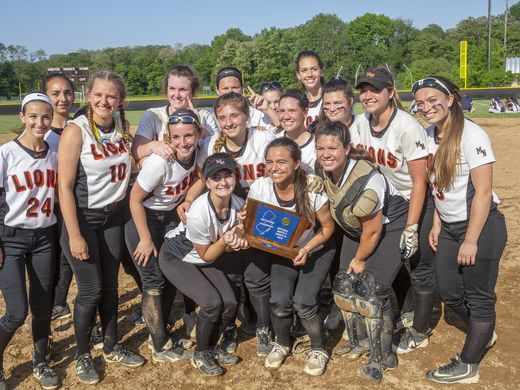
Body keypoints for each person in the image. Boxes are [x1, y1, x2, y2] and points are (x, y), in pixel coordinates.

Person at [413, 76, 507, 384]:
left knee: (478, 297)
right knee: (449, 292)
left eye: (432, 100)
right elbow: (440, 186)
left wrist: (471, 240)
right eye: (421, 102)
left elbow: (482, 192)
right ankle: (484, 332)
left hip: (480, 227)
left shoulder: (472, 134)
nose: (426, 107)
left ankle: (469, 363)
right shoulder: (429, 135)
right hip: (450, 227)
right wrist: (438, 223)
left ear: (451, 98)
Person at [59, 71, 144, 385]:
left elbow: (132, 163)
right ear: (88, 96)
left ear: (120, 100)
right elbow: (64, 187)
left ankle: (111, 345)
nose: (104, 101)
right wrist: (75, 235)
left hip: (112, 217)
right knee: (91, 290)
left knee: (110, 287)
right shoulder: (75, 130)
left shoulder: (122, 127)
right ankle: (83, 355)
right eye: (98, 95)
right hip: (82, 219)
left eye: (111, 96)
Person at [315, 120, 409, 382]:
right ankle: (359, 342)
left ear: (347, 148)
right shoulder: (322, 169)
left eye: (333, 148)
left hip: (388, 228)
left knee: (372, 292)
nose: (326, 153)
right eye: (320, 148)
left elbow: (373, 232)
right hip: (356, 229)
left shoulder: (368, 181)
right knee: (344, 286)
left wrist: (359, 260)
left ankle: (383, 357)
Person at [355, 67, 434, 344]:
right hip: (388, 201)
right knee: (399, 262)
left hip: (417, 200)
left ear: (390, 93)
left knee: (418, 264)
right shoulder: (361, 122)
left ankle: (420, 326)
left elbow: (419, 182)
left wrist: (412, 227)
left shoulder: (407, 126)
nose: (368, 95)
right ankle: (407, 307)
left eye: (375, 89)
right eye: (364, 89)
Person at [246, 137, 335, 376]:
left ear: (297, 164)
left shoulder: (312, 190)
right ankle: (282, 342)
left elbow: (327, 228)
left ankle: (319, 348)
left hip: (315, 249)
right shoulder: (261, 188)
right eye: (269, 162)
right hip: (285, 251)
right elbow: (253, 225)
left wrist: (307, 249)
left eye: (282, 162)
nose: (274, 168)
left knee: (304, 302)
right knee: (279, 301)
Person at [158, 153, 247, 377]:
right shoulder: (199, 212)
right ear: (206, 182)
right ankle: (201, 353)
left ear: (235, 178)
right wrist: (227, 240)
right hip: (177, 257)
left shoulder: (238, 204)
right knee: (211, 303)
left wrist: (239, 238)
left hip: (204, 254)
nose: (223, 182)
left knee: (229, 302)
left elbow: (225, 245)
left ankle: (212, 346)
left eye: (228, 176)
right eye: (215, 178)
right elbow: (208, 255)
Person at [199, 92, 273, 356]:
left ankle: (264, 327)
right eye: (222, 117)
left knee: (256, 275)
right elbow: (202, 178)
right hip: (228, 218)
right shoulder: (212, 145)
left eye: (234, 115)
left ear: (247, 116)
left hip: (261, 215)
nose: (228, 122)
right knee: (230, 275)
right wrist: (187, 200)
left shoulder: (263, 138)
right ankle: (230, 326)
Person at [127, 108, 204, 363]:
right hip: (143, 220)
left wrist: (188, 199)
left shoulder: (197, 152)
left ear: (198, 134)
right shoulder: (161, 162)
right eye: (177, 137)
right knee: (153, 281)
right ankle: (159, 346)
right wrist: (145, 238)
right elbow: (135, 199)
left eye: (189, 136)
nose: (184, 142)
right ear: (168, 139)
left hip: (168, 218)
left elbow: (201, 177)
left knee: (170, 276)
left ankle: (161, 331)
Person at [0, 93, 59, 389]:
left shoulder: (55, 153)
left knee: (42, 307)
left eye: (45, 117)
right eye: (33, 116)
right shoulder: (6, 153)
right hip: (11, 239)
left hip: (44, 238)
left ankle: (40, 360)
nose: (40, 122)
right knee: (15, 312)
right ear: (22, 117)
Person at [317, 77, 360, 333]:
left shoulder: (361, 126)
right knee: (336, 255)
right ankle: (338, 303)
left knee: (357, 257)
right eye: (327, 105)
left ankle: (347, 306)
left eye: (338, 104)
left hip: (361, 204)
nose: (332, 109)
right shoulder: (321, 128)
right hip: (332, 204)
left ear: (350, 103)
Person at [131, 65, 218, 163]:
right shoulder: (153, 115)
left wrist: (199, 126)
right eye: (172, 88)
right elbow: (135, 152)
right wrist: (153, 145)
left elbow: (218, 151)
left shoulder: (204, 116)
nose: (176, 95)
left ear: (193, 92)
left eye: (182, 89)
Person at [42, 75, 76, 322]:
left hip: (74, 205)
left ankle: (59, 303)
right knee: (52, 262)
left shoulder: (78, 129)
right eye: (55, 93)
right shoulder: (40, 134)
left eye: (67, 92)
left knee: (67, 259)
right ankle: (51, 305)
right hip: (48, 208)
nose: (62, 98)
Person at [213, 67, 280, 130]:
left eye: (235, 87)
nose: (230, 91)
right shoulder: (209, 115)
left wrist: (267, 109)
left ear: (242, 89)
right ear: (217, 90)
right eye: (225, 88)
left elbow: (282, 131)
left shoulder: (257, 114)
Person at [276, 89, 316, 173]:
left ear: (305, 112)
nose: (286, 116)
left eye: (292, 111)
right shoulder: (271, 140)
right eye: (282, 111)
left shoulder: (317, 146)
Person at [295, 50, 324, 129]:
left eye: (314, 69)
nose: (309, 74)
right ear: (298, 75)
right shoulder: (296, 102)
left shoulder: (331, 99)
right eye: (304, 70)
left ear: (321, 71)